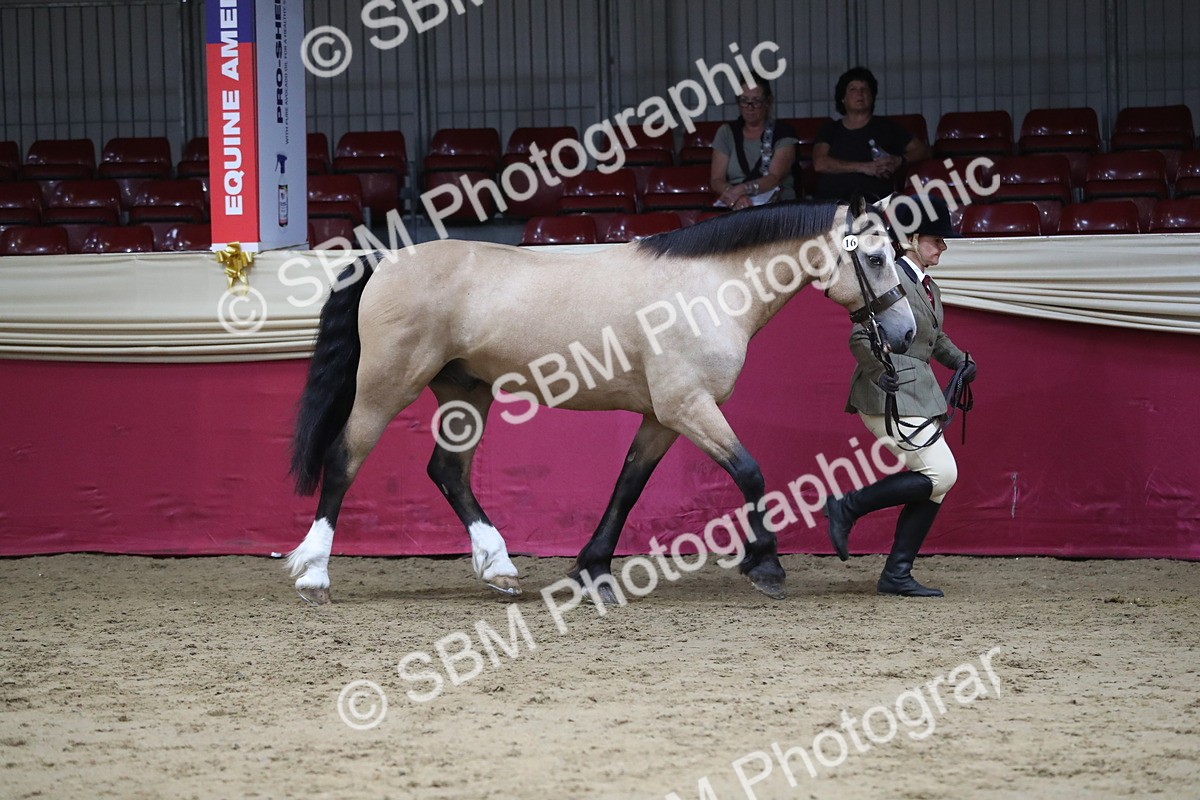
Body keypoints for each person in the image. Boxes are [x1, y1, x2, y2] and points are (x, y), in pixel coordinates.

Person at [825, 196, 976, 597]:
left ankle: (896, 573)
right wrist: (879, 371)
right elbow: (860, 335)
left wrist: (961, 361)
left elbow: (934, 337)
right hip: (888, 391)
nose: (942, 246)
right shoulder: (889, 281)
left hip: (918, 393)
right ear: (910, 239)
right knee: (941, 473)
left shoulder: (928, 287)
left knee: (938, 483)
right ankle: (847, 506)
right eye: (936, 239)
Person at [812, 66, 931, 201]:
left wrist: (899, 160)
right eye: (853, 89)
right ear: (842, 98)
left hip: (875, 202)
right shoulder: (830, 129)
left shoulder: (887, 126)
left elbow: (923, 150)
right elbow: (820, 163)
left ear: (872, 96)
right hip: (832, 202)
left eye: (865, 89)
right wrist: (865, 167)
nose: (860, 93)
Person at [709, 76, 798, 210]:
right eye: (744, 101)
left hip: (777, 205)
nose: (750, 107)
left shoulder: (784, 132)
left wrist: (743, 190)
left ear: (768, 102)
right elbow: (716, 180)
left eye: (756, 101)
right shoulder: (726, 132)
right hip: (736, 205)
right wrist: (735, 195)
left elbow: (775, 177)